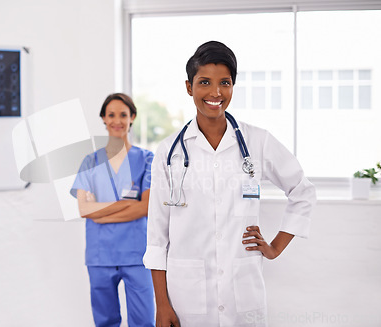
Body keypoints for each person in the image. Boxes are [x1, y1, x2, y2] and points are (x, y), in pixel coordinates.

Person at [143, 41, 316, 327]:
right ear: (189, 87)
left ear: (233, 86)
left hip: (242, 292)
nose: (215, 92)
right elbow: (157, 236)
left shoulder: (257, 141)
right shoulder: (169, 151)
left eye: (225, 82)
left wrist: (275, 247)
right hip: (186, 297)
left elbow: (303, 190)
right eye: (204, 82)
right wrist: (161, 304)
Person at [70, 93, 155, 327]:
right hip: (100, 256)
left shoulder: (147, 160)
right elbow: (84, 209)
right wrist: (125, 204)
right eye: (111, 115)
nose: (117, 120)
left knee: (144, 321)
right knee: (105, 321)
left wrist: (102, 214)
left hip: (137, 255)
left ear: (132, 118)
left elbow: (146, 207)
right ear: (104, 120)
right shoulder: (90, 162)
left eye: (123, 115)